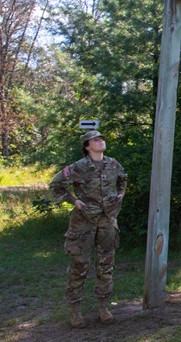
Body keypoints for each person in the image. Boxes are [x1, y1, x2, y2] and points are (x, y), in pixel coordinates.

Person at [49, 130, 127, 327]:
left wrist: (120, 195)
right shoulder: (77, 167)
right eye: (96, 139)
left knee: (106, 265)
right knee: (79, 266)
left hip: (107, 221)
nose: (101, 141)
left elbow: (123, 179)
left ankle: (103, 308)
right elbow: (56, 186)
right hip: (83, 222)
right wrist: (73, 201)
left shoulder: (113, 164)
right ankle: (75, 312)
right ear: (87, 146)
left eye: (102, 138)